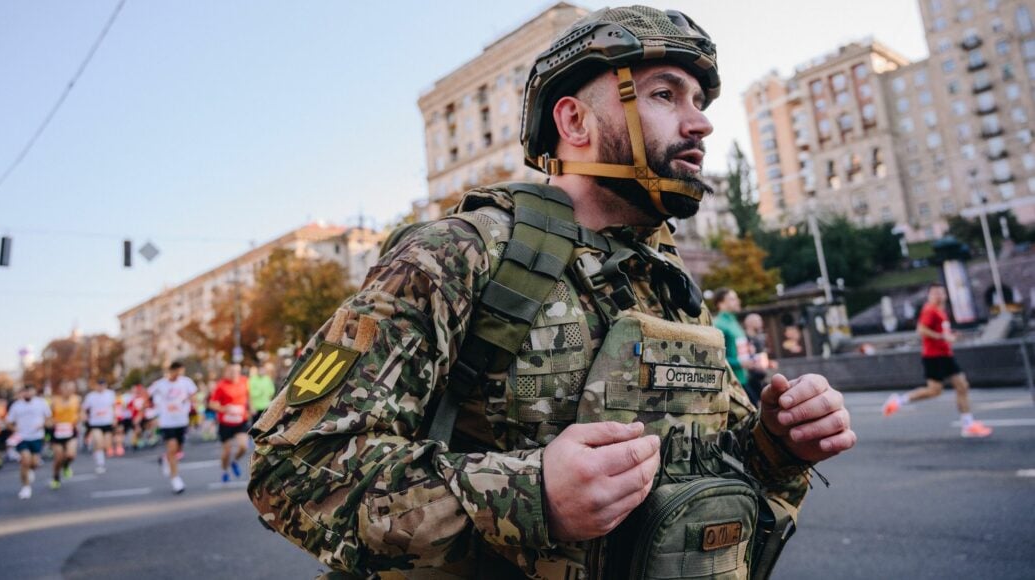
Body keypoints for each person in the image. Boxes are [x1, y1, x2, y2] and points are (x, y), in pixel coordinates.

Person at [249, 6, 855, 577]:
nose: (700, 121)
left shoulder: (664, 281)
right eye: (665, 95)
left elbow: (704, 477)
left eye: (698, 101)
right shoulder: (461, 253)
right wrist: (531, 496)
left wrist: (777, 444)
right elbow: (291, 468)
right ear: (574, 122)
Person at [882, 283, 992, 437]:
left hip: (945, 355)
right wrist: (942, 336)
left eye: (941, 293)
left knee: (962, 386)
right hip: (934, 356)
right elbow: (921, 329)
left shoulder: (941, 311)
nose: (938, 296)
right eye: (935, 293)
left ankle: (968, 424)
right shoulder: (930, 310)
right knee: (934, 391)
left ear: (945, 295)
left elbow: (941, 331)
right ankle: (898, 401)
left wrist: (951, 335)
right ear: (929, 296)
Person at [148, 361, 198, 493]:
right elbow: (147, 395)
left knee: (178, 450)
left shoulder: (186, 382)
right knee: (172, 448)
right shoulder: (161, 384)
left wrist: (193, 404)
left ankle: (165, 459)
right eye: (177, 372)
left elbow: (193, 396)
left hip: (181, 421)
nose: (179, 375)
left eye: (181, 372)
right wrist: (149, 414)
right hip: (167, 422)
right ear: (171, 371)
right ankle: (176, 480)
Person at [712, 288, 759, 404]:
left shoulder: (733, 322)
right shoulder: (718, 324)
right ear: (721, 304)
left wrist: (749, 350)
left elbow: (737, 347)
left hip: (743, 378)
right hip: (731, 383)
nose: (738, 301)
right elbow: (715, 356)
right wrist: (739, 363)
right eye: (732, 299)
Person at [6, 385, 51, 499]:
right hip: (22, 437)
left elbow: (48, 417)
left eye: (30, 391)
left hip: (37, 436)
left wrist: (43, 424)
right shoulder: (16, 406)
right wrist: (15, 429)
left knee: (34, 463)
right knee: (25, 460)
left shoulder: (41, 403)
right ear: (22, 393)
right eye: (25, 392)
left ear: (34, 392)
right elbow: (9, 422)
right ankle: (26, 487)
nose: (27, 394)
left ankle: (31, 470)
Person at [209, 363, 250, 483]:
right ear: (227, 372)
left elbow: (248, 396)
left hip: (240, 420)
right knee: (227, 451)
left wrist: (249, 409)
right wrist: (222, 409)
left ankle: (235, 461)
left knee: (243, 446)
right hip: (225, 422)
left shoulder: (244, 381)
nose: (234, 374)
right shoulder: (221, 385)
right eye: (231, 371)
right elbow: (212, 404)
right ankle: (224, 471)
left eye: (237, 371)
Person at [48, 381, 82, 489]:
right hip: (57, 432)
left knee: (71, 455)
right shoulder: (54, 401)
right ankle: (56, 477)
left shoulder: (77, 399)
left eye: (70, 389)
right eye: (65, 389)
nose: (68, 391)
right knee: (58, 458)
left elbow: (81, 413)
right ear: (61, 390)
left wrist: (79, 421)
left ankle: (66, 465)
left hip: (71, 430)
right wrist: (52, 422)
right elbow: (48, 416)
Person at [82, 379, 117, 474]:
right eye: (99, 385)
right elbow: (84, 408)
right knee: (99, 443)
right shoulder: (91, 396)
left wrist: (115, 418)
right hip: (95, 423)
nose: (101, 387)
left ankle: (97, 453)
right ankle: (100, 464)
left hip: (107, 422)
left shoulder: (110, 394)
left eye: (103, 385)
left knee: (106, 445)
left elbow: (114, 406)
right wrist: (84, 416)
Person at [742, 312, 775, 406]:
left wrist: (768, 363)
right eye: (758, 320)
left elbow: (760, 355)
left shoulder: (759, 337)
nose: (761, 322)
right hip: (750, 377)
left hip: (762, 375)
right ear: (749, 323)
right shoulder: (744, 338)